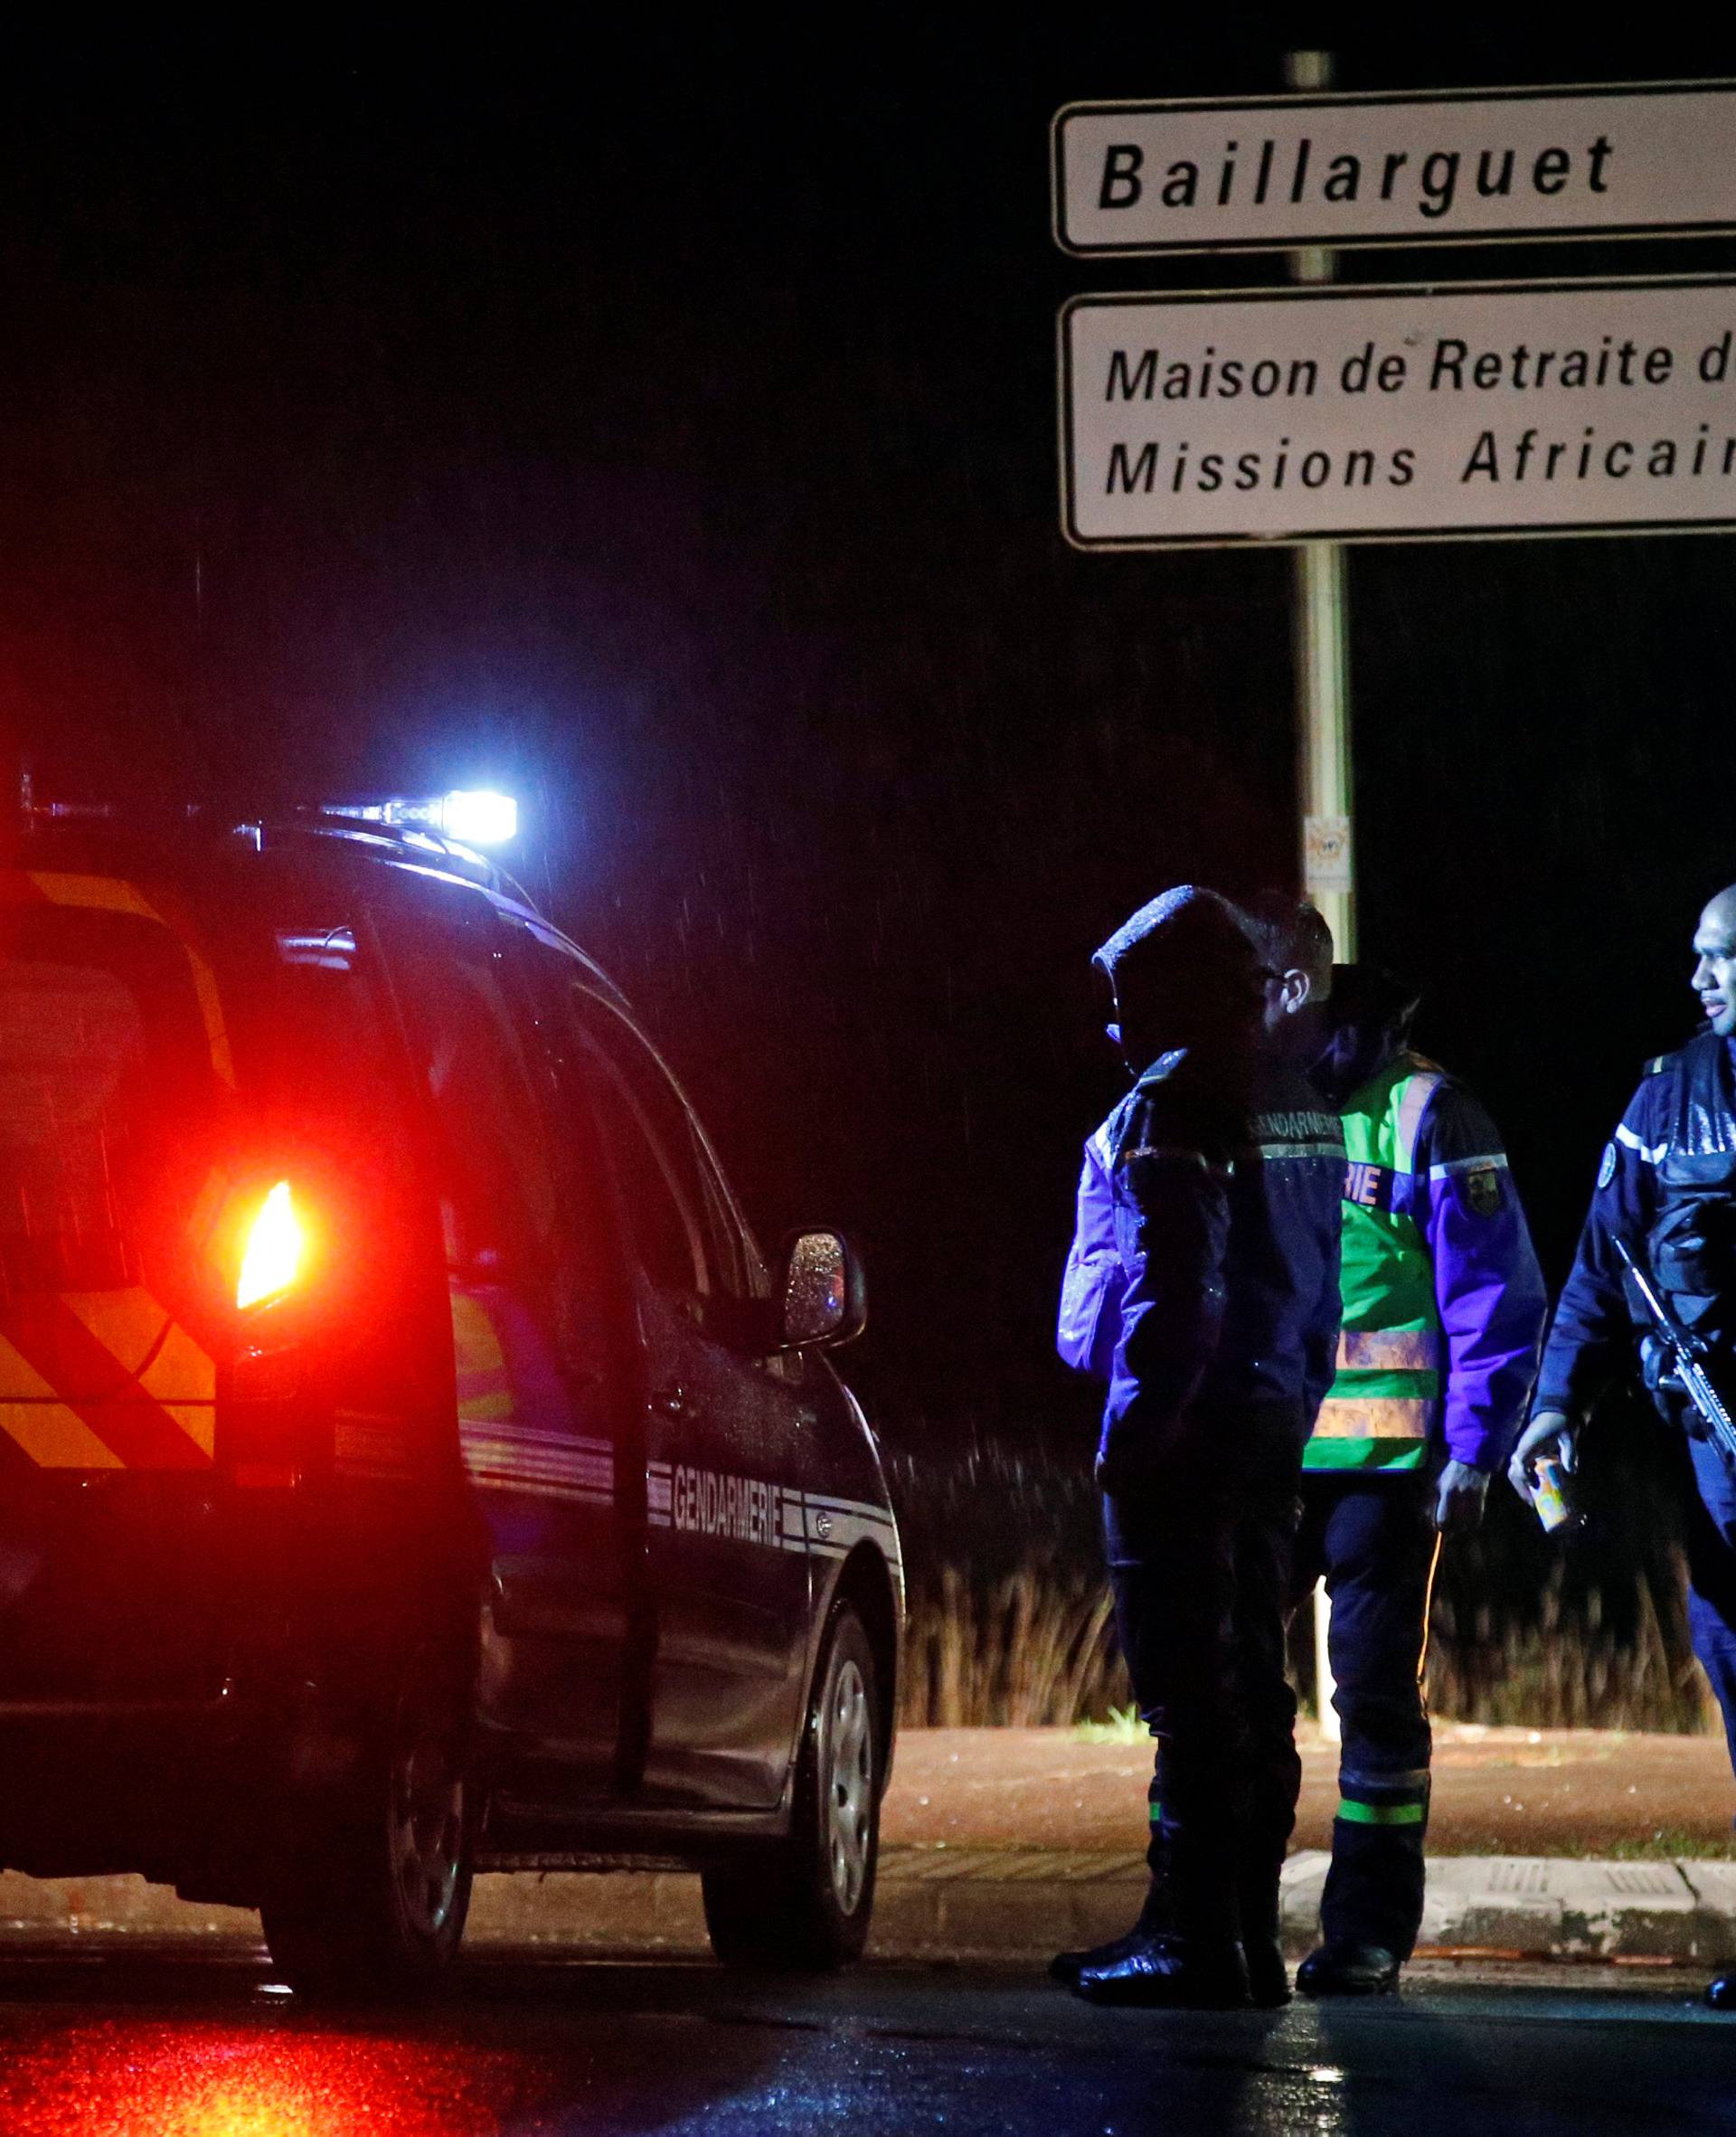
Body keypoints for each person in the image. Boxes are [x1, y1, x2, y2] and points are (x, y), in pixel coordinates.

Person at [1245, 897, 1548, 1998]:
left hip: (1386, 1471)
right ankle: (1228, 1917)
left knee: (1373, 1699)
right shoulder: (1257, 1099)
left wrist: (1475, 1447)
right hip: (1266, 1465)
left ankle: (1366, 1932)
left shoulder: (1427, 1109)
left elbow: (1496, 1289)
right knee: (1231, 1695)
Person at [1051, 886, 1344, 2008]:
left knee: (1185, 1688)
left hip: (1191, 1433)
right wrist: (1293, 1400)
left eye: (1127, 1001)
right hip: (1273, 1422)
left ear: (1175, 991)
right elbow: (1315, 1293)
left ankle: (1188, 1933)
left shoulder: (1178, 1102)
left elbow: (1180, 1284)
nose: (1115, 1028)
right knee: (1253, 1685)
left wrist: (1141, 1430)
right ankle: (1246, 1933)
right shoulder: (1299, 1098)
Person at [1509, 883, 1736, 2009]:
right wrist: (1556, 1402)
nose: (1699, 977)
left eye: (1722, 958)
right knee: (1735, 1661)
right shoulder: (1668, 1098)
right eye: (1696, 955)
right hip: (1712, 1453)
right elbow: (1605, 1265)